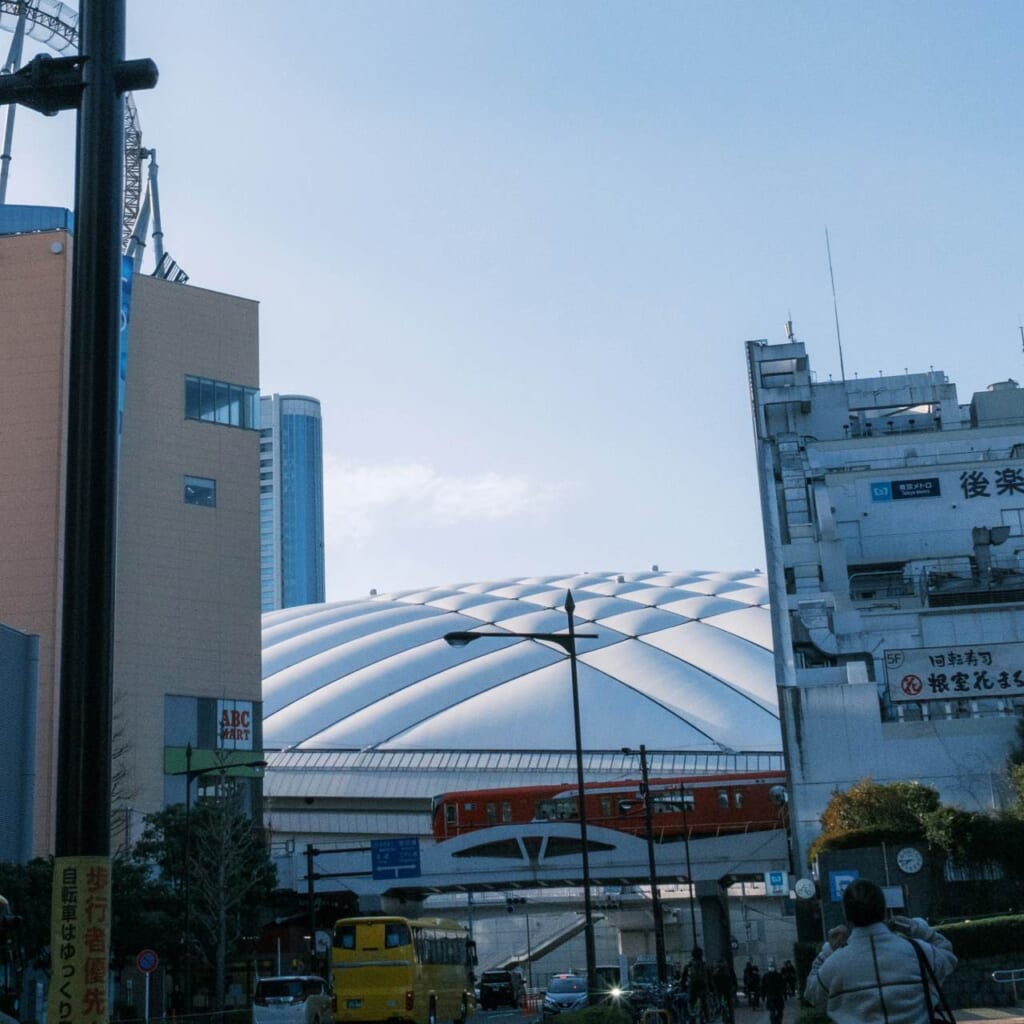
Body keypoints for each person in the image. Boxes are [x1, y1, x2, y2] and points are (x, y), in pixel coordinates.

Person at [804, 878, 957, 1024]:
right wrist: (914, 927)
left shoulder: (835, 964)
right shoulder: (918, 952)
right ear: (883, 909)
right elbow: (947, 954)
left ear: (847, 915)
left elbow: (811, 993)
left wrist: (829, 949)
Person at [685, 947, 711, 1024]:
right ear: (701, 955)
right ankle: (707, 1018)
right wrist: (711, 987)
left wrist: (683, 985)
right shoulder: (704, 964)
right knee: (705, 1003)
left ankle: (691, 1018)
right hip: (703, 987)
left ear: (692, 955)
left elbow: (684, 977)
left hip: (693, 987)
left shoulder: (689, 965)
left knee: (690, 1003)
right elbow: (709, 977)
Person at [761, 960, 787, 1024]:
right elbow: (763, 987)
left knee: (780, 1011)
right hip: (770, 996)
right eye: (770, 967)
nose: (771, 968)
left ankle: (778, 1022)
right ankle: (773, 1022)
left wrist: (784, 993)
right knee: (772, 1012)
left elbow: (783, 985)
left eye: (772, 967)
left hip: (778, 996)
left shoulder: (778, 975)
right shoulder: (766, 976)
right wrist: (763, 996)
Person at [712, 958, 736, 1024]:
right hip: (727, 988)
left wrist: (713, 988)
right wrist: (734, 986)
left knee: (718, 999)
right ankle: (731, 1017)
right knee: (730, 1003)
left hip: (718, 988)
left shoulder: (715, 968)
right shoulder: (728, 967)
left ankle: (718, 1008)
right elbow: (733, 977)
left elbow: (712, 979)